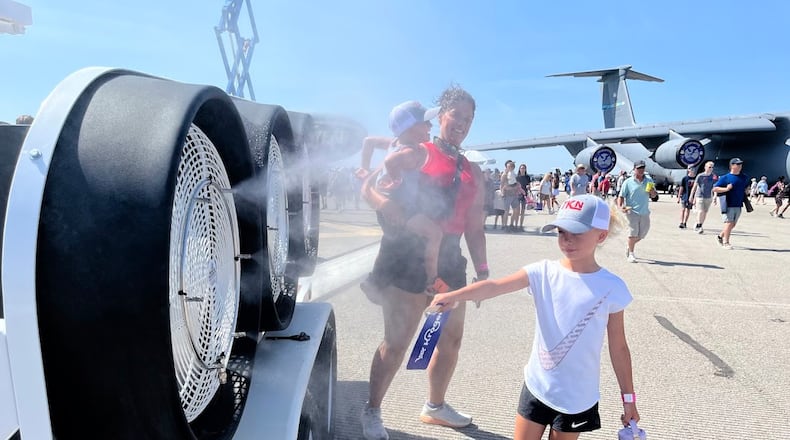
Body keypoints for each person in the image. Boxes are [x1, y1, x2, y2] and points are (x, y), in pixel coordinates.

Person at [428, 195, 640, 440]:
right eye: (561, 232)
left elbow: (619, 347)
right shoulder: (543, 272)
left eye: (577, 233)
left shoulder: (612, 287)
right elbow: (495, 286)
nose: (567, 240)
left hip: (578, 397)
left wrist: (628, 399)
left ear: (600, 235)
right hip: (537, 386)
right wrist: (456, 295)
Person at [359, 85, 488, 440]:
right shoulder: (418, 151)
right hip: (406, 259)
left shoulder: (473, 170)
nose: (461, 123)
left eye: (468, 118)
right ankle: (372, 410)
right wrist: (396, 211)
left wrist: (484, 273)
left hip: (450, 261)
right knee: (397, 342)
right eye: (455, 115)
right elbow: (376, 194)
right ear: (440, 115)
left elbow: (475, 227)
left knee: (450, 339)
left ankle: (434, 407)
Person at [363, 100, 447, 292]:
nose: (430, 126)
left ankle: (374, 281)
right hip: (401, 204)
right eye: (425, 122)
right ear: (410, 127)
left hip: (391, 204)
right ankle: (432, 281)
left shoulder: (394, 143)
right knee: (434, 234)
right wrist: (395, 177)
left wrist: (364, 167)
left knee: (390, 242)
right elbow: (391, 161)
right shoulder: (410, 151)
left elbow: (368, 142)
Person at [616, 160, 657, 263]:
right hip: (631, 211)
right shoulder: (628, 182)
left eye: (642, 168)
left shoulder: (649, 180)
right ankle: (631, 254)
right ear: (634, 169)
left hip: (644, 211)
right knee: (632, 233)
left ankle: (630, 246)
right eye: (639, 168)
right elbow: (621, 196)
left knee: (642, 234)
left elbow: (654, 196)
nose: (641, 170)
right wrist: (620, 207)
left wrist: (652, 192)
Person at [712, 157, 750, 249]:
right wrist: (726, 189)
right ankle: (726, 242)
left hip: (738, 204)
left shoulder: (744, 177)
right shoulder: (725, 177)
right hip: (728, 203)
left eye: (740, 164)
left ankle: (720, 236)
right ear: (732, 166)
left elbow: (746, 187)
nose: (740, 166)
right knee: (729, 223)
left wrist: (747, 190)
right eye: (738, 164)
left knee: (732, 224)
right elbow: (715, 188)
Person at [688, 161, 716, 234]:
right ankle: (699, 226)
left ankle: (699, 223)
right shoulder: (700, 176)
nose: (711, 169)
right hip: (700, 196)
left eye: (712, 167)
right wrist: (691, 196)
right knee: (700, 211)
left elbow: (715, 187)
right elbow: (695, 186)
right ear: (705, 167)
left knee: (705, 212)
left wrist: (715, 196)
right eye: (709, 167)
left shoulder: (713, 176)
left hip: (709, 196)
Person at [501, 159, 524, 232]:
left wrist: (517, 185)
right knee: (506, 211)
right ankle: (504, 226)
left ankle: (511, 224)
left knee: (516, 210)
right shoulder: (504, 175)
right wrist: (515, 187)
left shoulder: (512, 174)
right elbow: (504, 186)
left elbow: (515, 182)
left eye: (511, 166)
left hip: (514, 195)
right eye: (509, 166)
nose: (511, 168)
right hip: (507, 195)